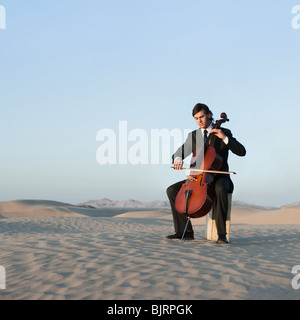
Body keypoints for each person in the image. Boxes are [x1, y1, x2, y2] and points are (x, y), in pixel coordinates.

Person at [166, 103, 246, 243]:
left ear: (209, 115)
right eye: (196, 118)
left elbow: (241, 151)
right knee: (172, 190)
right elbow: (180, 152)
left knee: (220, 188)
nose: (199, 121)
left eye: (202, 117)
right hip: (198, 179)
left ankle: (222, 235)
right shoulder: (194, 136)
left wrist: (224, 139)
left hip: (220, 176)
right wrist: (177, 158)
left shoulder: (224, 132)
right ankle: (184, 231)